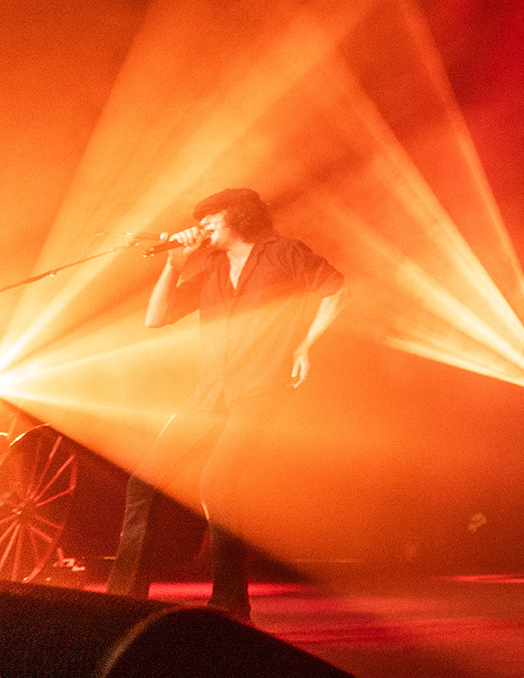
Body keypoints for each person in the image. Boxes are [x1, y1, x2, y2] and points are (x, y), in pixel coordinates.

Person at [106, 188, 345, 620]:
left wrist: (307, 345)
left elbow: (334, 289)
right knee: (144, 482)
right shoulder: (212, 269)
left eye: (209, 219)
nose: (201, 228)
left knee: (216, 482)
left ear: (237, 216)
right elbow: (155, 318)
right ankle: (124, 597)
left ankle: (231, 605)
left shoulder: (282, 252)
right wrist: (174, 263)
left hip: (260, 387)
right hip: (211, 392)